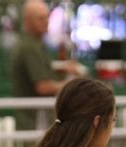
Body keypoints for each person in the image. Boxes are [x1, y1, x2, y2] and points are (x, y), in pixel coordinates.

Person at [10, 0, 84, 129]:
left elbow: (43, 71)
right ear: (27, 21)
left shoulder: (35, 42)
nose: (46, 21)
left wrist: (62, 67)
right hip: (34, 121)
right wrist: (73, 84)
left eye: (47, 17)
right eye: (40, 18)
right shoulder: (29, 46)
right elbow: (42, 86)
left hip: (37, 119)